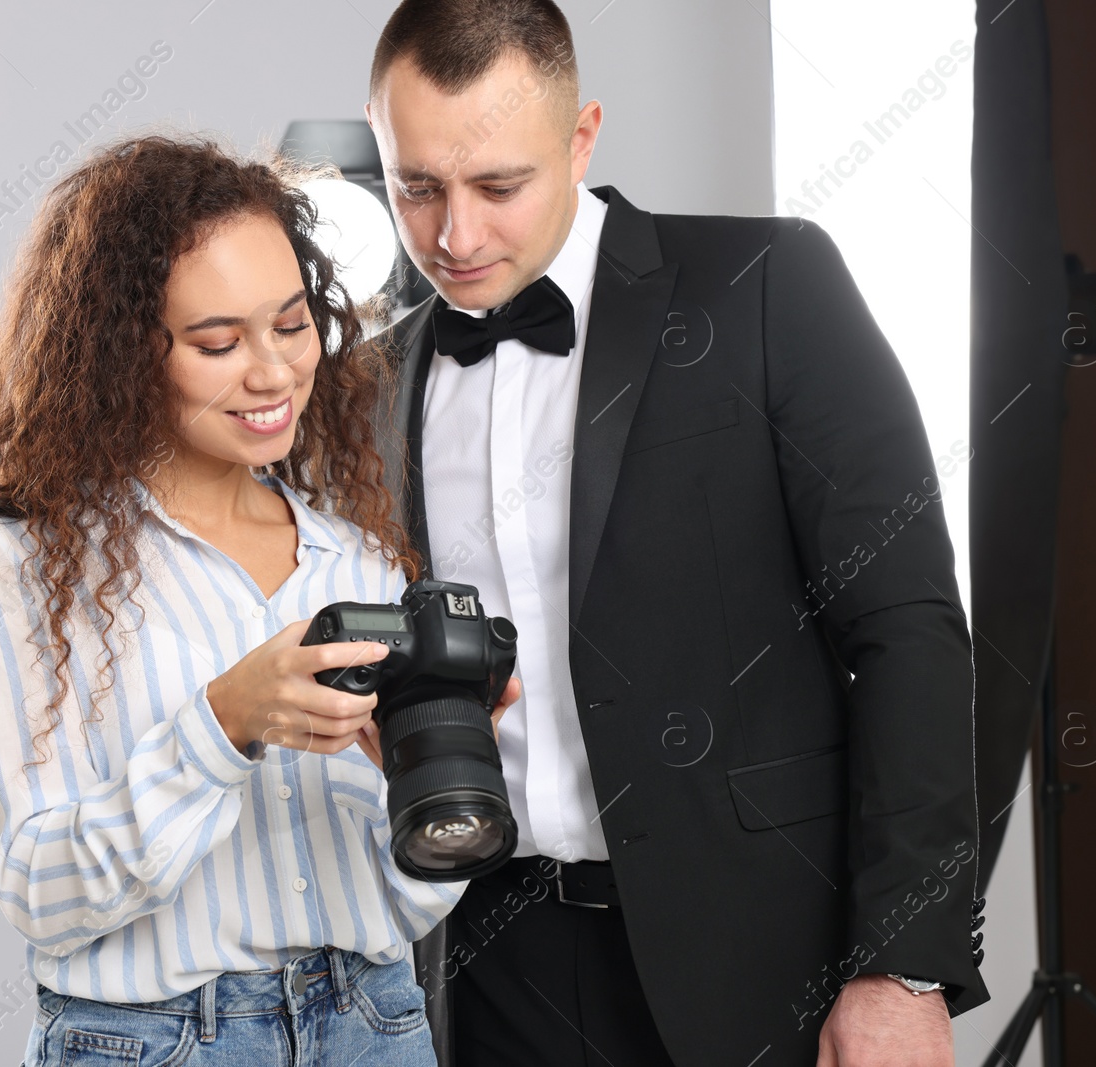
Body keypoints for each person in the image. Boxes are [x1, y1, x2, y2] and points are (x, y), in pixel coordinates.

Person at [361, 2, 991, 1065]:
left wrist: (901, 965)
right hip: (478, 968)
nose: (453, 236)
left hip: (761, 959)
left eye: (497, 186)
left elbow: (909, 632)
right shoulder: (368, 379)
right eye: (415, 187)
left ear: (581, 136)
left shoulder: (766, 285)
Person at [0, 132, 517, 1067]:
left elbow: (402, 903)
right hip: (157, 1042)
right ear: (126, 353)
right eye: (217, 341)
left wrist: (431, 784)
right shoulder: (28, 562)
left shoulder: (358, 560)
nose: (271, 372)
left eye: (292, 324)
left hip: (375, 1024)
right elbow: (41, 890)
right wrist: (221, 725)